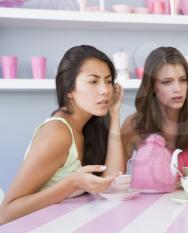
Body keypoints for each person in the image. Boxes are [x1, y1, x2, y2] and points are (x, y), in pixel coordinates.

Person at [0, 45, 124, 224]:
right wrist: (72, 184)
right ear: (69, 90)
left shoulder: (88, 128)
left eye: (108, 80)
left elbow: (113, 182)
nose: (105, 90)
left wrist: (114, 115)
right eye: (93, 81)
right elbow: (5, 213)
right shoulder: (57, 133)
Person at [121, 47, 188, 184]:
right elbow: (115, 176)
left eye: (183, 80)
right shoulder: (134, 123)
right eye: (167, 82)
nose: (178, 89)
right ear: (152, 86)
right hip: (152, 204)